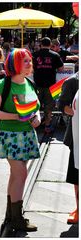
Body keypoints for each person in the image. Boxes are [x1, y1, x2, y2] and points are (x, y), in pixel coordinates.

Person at [0, 48, 41, 231]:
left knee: (16, 176)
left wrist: (38, 118)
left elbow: (36, 108)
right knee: (21, 174)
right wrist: (15, 117)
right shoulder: (3, 84)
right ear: (15, 63)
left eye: (29, 60)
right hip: (9, 135)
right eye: (25, 61)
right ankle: (16, 218)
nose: (29, 63)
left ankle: (11, 216)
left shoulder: (29, 83)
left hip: (26, 135)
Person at [58, 72, 79, 224]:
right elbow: (63, 105)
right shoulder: (73, 81)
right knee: (77, 174)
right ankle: (79, 208)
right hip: (77, 136)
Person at [33, 37, 64, 133]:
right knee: (49, 106)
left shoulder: (34, 55)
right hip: (51, 85)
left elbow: (30, 68)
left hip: (37, 84)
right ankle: (47, 125)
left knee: (35, 105)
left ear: (40, 45)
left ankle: (34, 124)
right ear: (50, 45)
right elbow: (61, 69)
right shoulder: (55, 55)